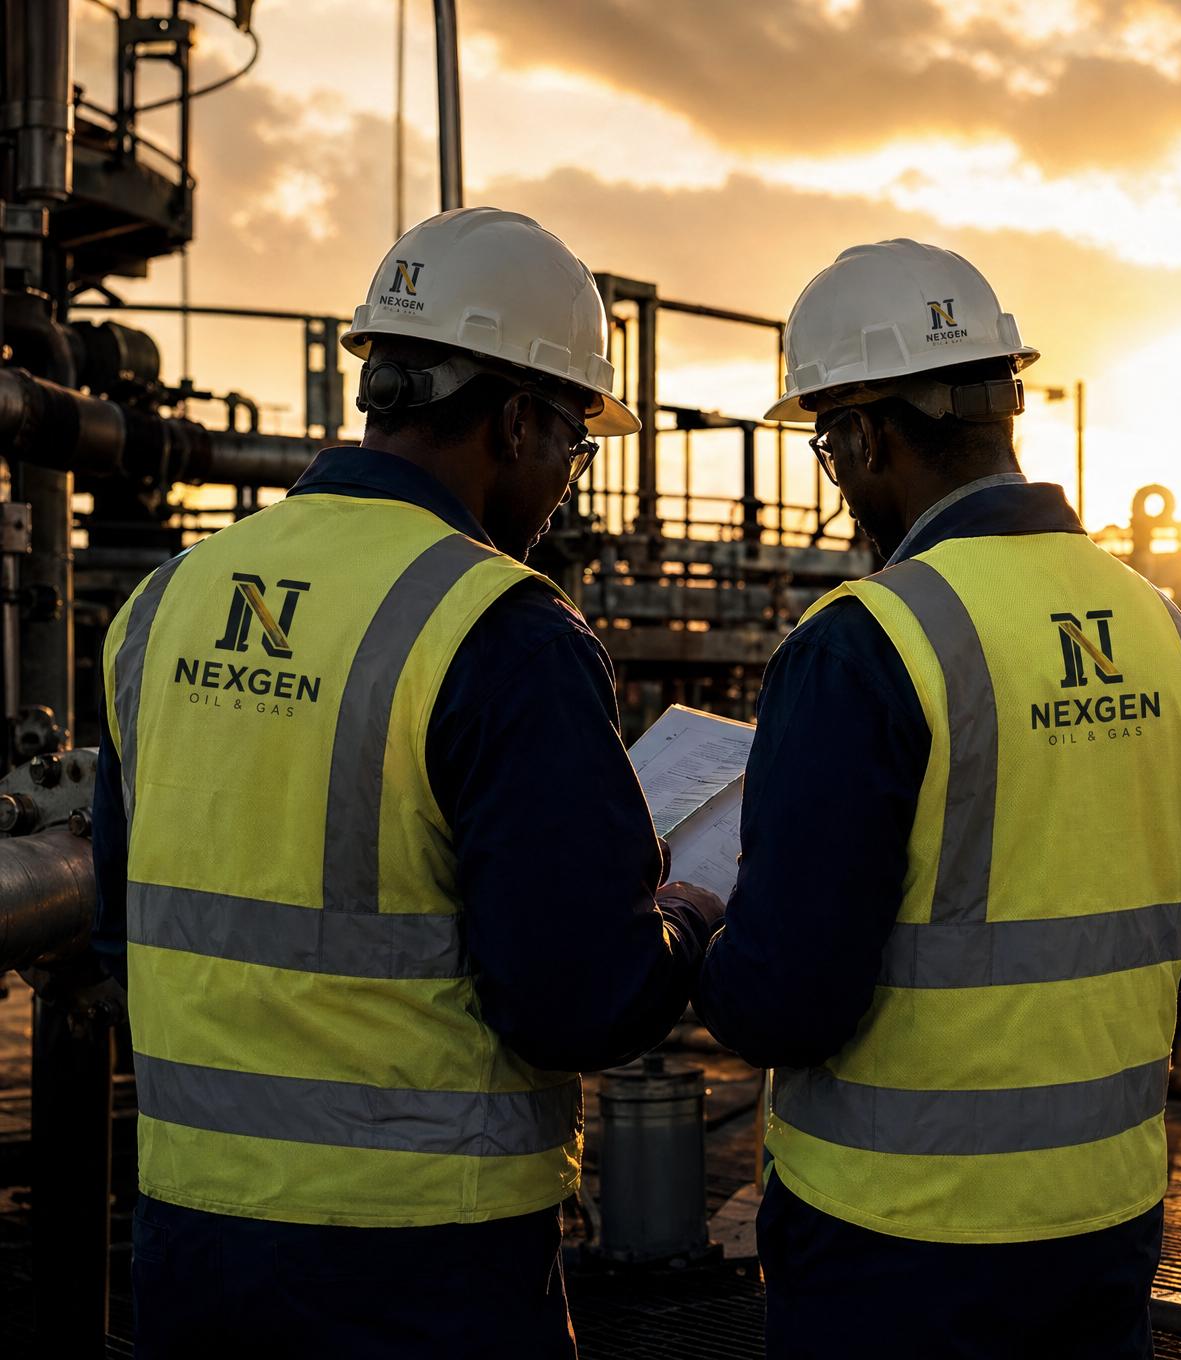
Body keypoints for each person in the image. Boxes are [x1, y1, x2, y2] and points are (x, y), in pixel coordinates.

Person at [89, 207, 724, 1359]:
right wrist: (682, 916)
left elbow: (117, 927)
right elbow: (578, 997)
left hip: (190, 1247)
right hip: (426, 1266)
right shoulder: (502, 631)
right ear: (519, 418)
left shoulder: (167, 602)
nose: (565, 488)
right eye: (572, 447)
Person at [695, 239, 1181, 1358]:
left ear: (863, 435)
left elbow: (788, 1001)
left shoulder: (866, 645)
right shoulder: (1173, 639)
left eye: (826, 443)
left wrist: (704, 931)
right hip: (1101, 1226)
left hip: (891, 1240)